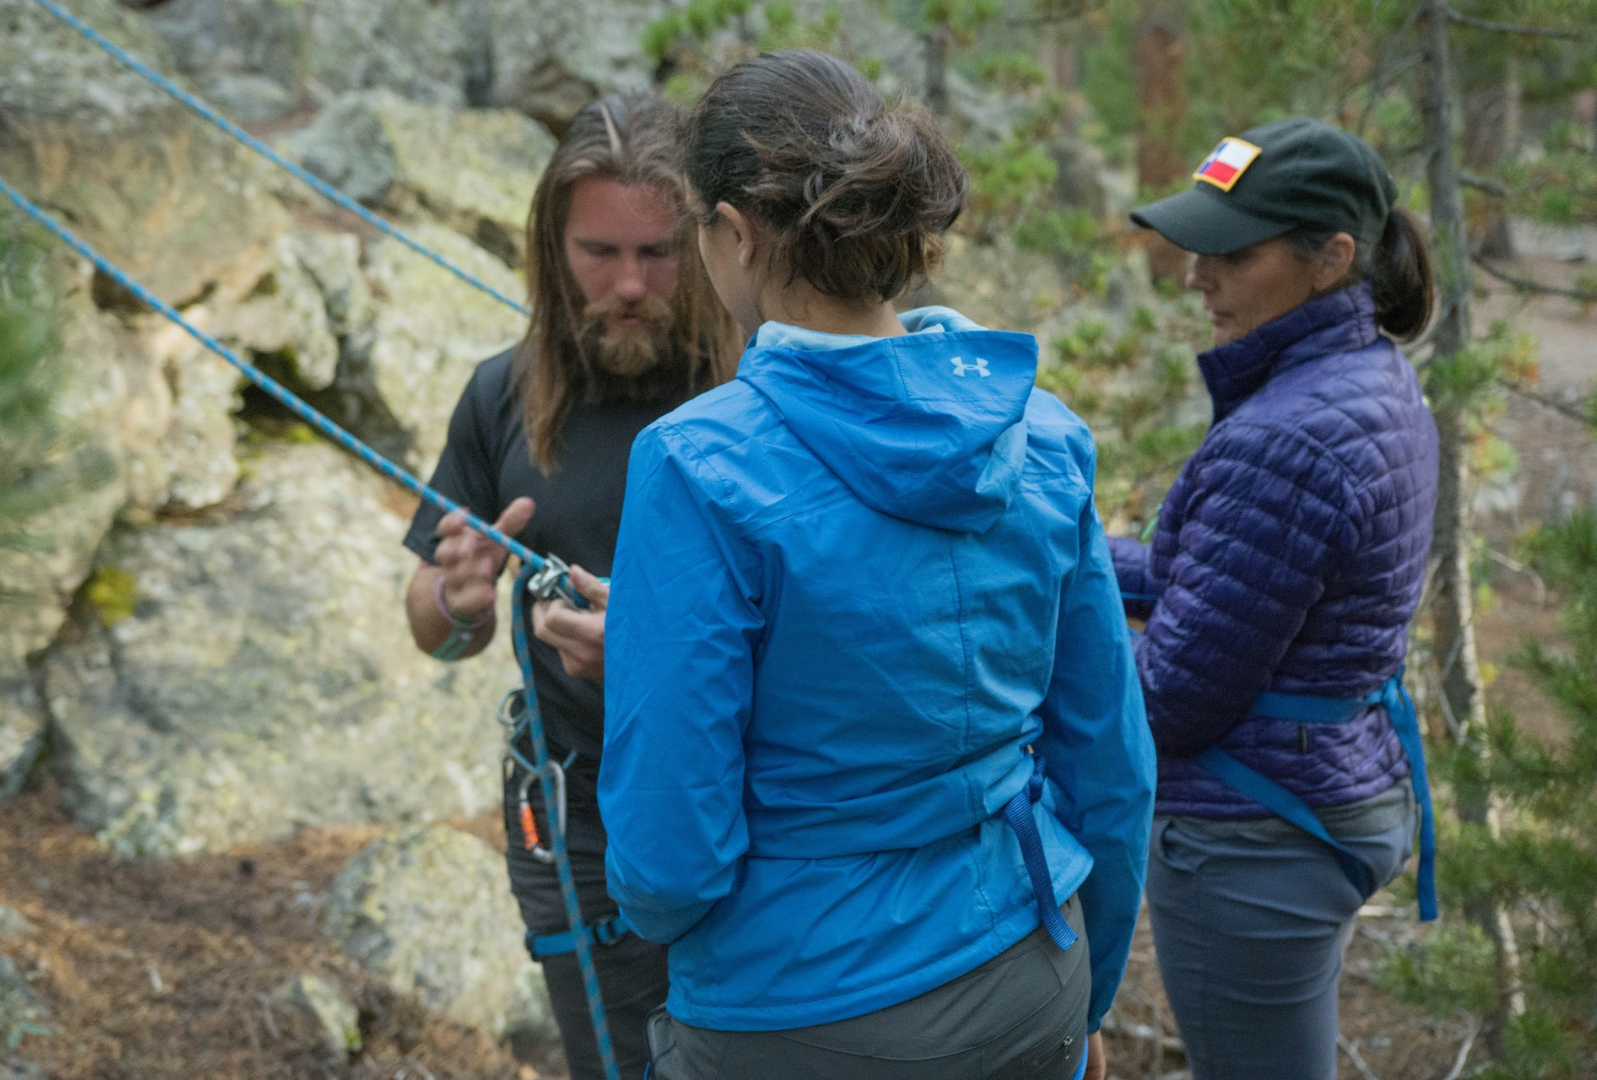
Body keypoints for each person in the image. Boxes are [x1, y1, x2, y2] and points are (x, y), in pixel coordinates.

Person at [597, 50, 1156, 1080]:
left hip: (796, 1006)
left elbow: (670, 851)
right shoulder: (1041, 434)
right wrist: (1087, 992)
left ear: (734, 234)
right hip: (1030, 964)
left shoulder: (696, 463)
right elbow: (1110, 767)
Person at [400, 91, 738, 1080]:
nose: (629, 284)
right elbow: (432, 624)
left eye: (657, 253)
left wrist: (645, 652)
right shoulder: (504, 394)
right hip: (577, 823)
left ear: (709, 243)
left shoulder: (754, 389)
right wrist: (456, 601)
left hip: (753, 804)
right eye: (599, 253)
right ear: (552, 250)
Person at [1114, 117, 1440, 1080]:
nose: (1194, 275)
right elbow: (1221, 579)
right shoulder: (1364, 378)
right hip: (1324, 782)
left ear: (1329, 258)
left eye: (1231, 253)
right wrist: (1054, 548)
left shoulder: (1286, 437)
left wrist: (1005, 647)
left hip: (1254, 835)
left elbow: (1169, 698)